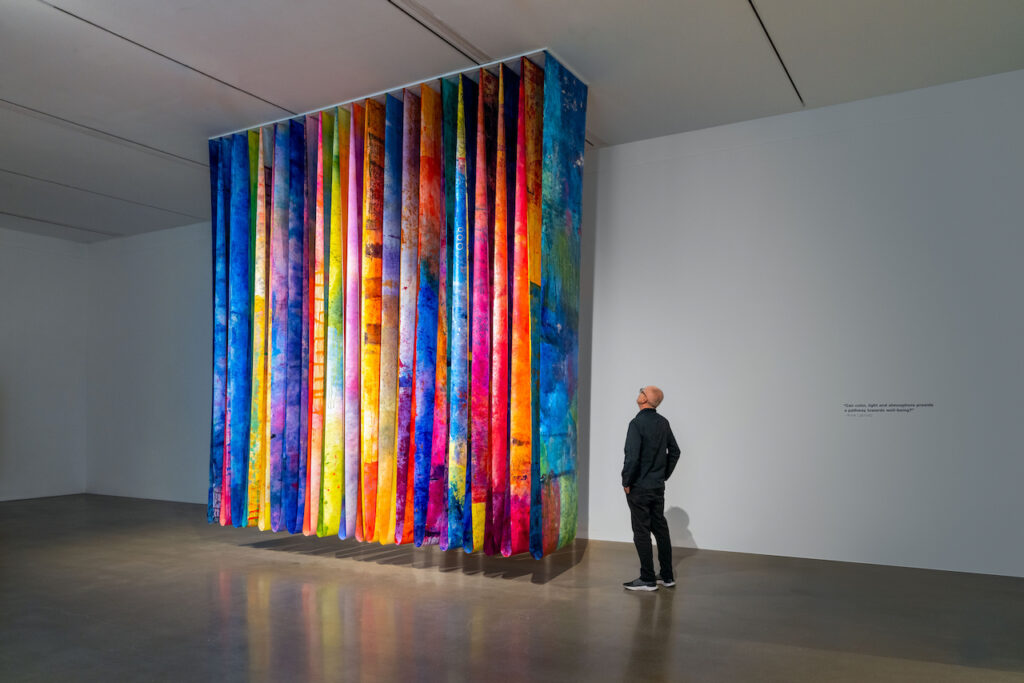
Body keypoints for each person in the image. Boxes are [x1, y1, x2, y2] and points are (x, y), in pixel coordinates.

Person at [621, 385, 681, 591]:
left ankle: (647, 579)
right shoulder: (663, 422)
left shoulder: (636, 424)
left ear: (645, 400)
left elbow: (632, 457)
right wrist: (662, 475)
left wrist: (626, 481)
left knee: (641, 532)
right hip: (656, 487)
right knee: (661, 531)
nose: (639, 392)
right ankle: (667, 576)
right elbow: (675, 451)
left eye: (642, 391)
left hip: (639, 487)